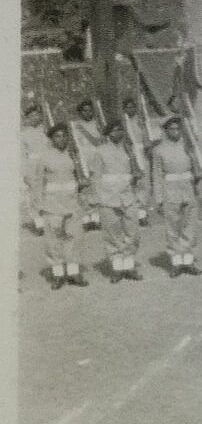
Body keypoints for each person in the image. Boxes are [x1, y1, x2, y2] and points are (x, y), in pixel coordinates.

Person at [32, 123, 88, 288]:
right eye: (57, 136)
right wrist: (39, 206)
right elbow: (38, 183)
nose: (61, 139)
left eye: (64, 136)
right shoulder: (45, 157)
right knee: (53, 241)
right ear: (51, 139)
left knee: (74, 238)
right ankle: (58, 274)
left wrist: (82, 188)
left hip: (72, 203)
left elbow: (80, 179)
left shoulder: (74, 156)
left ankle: (73, 273)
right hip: (52, 204)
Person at [90, 120, 144, 282]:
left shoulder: (129, 150)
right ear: (107, 134)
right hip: (108, 198)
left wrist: (139, 195)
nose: (117, 133)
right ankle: (117, 268)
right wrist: (98, 199)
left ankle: (128, 266)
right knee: (112, 234)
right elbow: (95, 178)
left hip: (127, 196)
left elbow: (136, 175)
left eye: (120, 130)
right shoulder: (100, 152)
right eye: (113, 130)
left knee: (131, 232)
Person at [151, 116, 202, 277]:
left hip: (188, 189)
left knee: (189, 226)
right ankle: (176, 262)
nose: (176, 132)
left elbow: (197, 169)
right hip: (170, 191)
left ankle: (187, 260)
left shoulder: (189, 147)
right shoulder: (158, 150)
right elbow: (157, 175)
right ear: (166, 131)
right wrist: (158, 199)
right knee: (173, 228)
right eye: (172, 129)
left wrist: (197, 187)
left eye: (178, 129)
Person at [71, 98, 105, 230]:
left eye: (90, 110)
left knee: (96, 187)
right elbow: (73, 146)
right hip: (83, 160)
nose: (87, 113)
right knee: (84, 189)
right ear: (80, 113)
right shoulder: (74, 126)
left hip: (95, 159)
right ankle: (86, 218)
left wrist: (83, 130)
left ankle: (96, 217)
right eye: (84, 111)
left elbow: (97, 142)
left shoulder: (98, 124)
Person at [120, 97, 152, 226]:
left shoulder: (141, 121)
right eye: (127, 107)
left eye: (132, 107)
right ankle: (130, 212)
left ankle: (142, 213)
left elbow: (147, 139)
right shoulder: (123, 123)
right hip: (128, 153)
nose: (130, 109)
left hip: (141, 153)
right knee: (131, 182)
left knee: (143, 183)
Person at [21, 100, 49, 235]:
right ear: (27, 118)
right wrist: (25, 173)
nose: (35, 118)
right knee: (34, 194)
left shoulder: (44, 132)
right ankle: (39, 224)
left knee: (47, 192)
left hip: (46, 165)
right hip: (32, 166)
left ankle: (49, 222)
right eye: (31, 116)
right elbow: (22, 155)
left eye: (37, 115)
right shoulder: (23, 134)